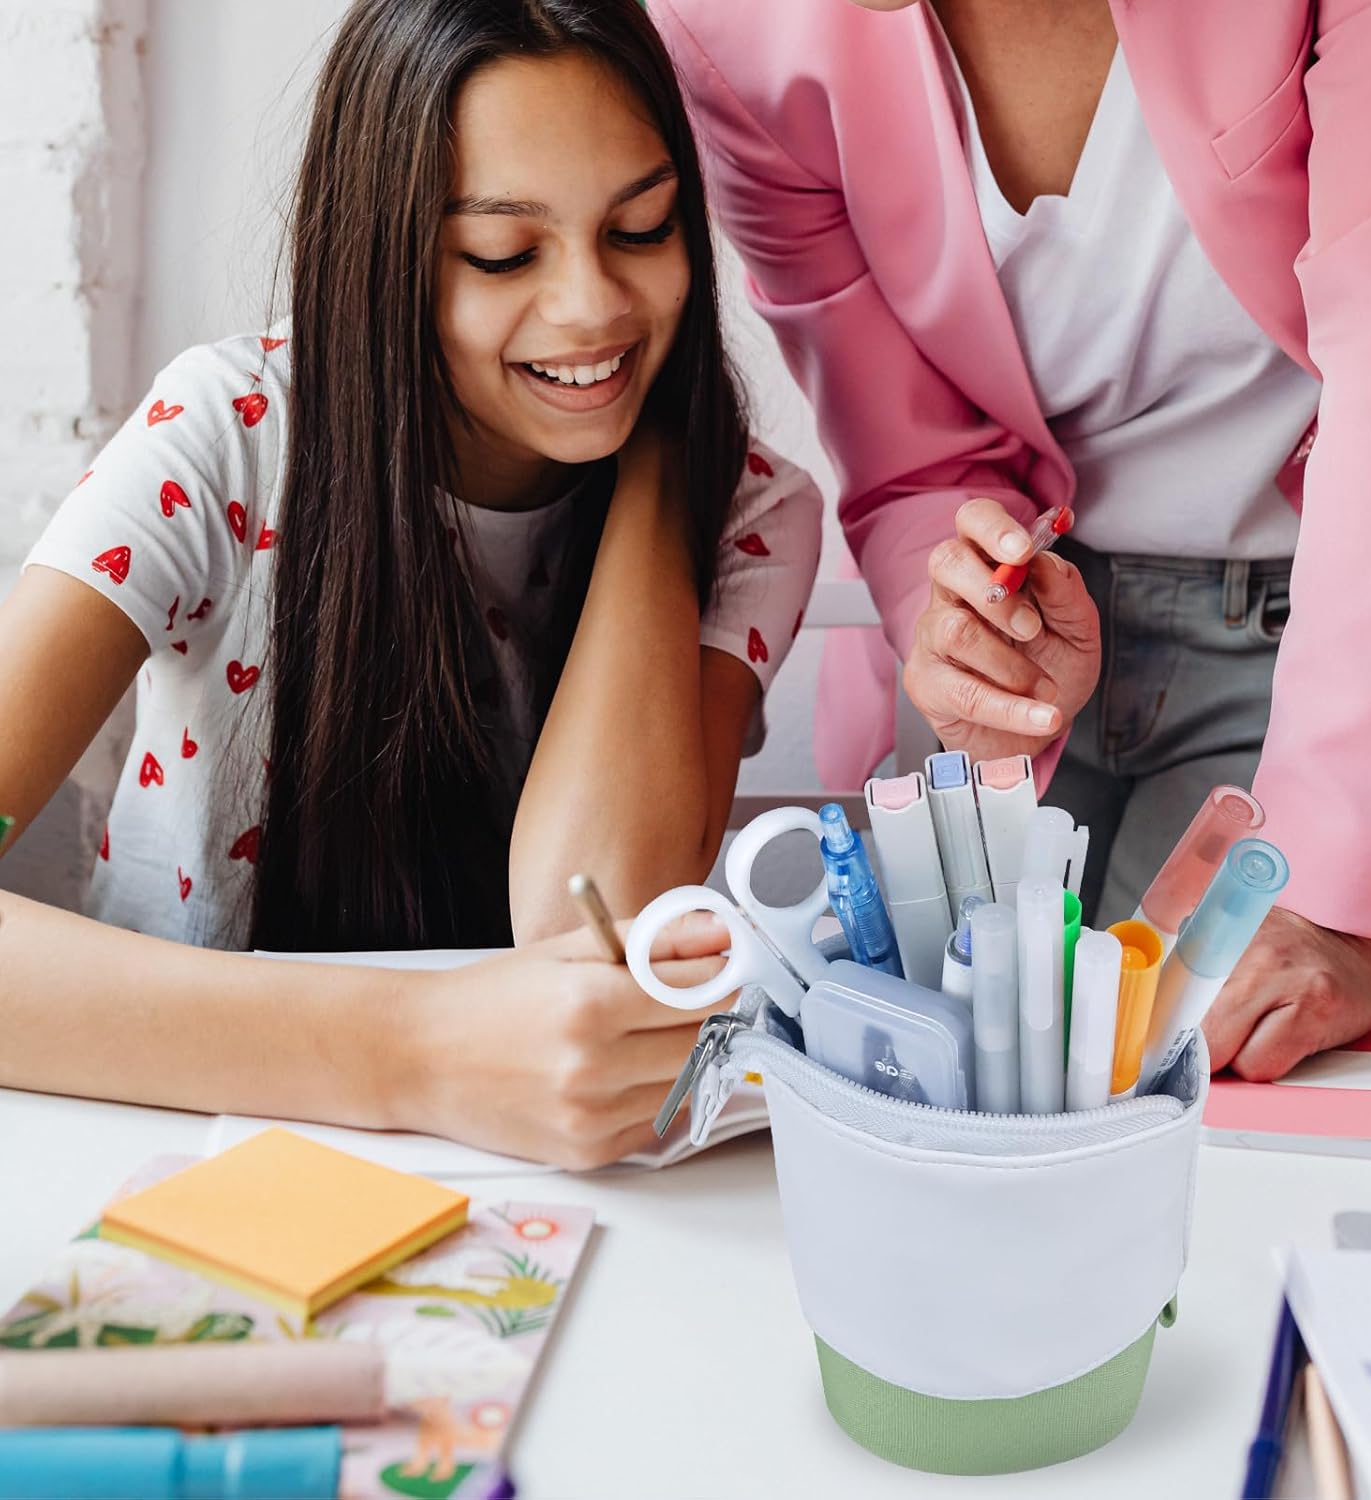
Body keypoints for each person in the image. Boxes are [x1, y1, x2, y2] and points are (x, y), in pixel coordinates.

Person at [0, 0, 821, 1169]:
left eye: (642, 229)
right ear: (380, 257)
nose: (593, 304)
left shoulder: (748, 511)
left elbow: (596, 899)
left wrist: (655, 463)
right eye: (504, 253)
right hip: (174, 1142)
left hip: (539, 1179)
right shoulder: (224, 439)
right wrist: (419, 1052)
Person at [650, 0, 1371, 1081]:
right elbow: (903, 449)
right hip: (1024, 647)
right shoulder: (731, 31)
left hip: (1323, 652)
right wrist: (961, 629)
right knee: (956, 1092)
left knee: (1215, 1093)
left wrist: (1333, 883)